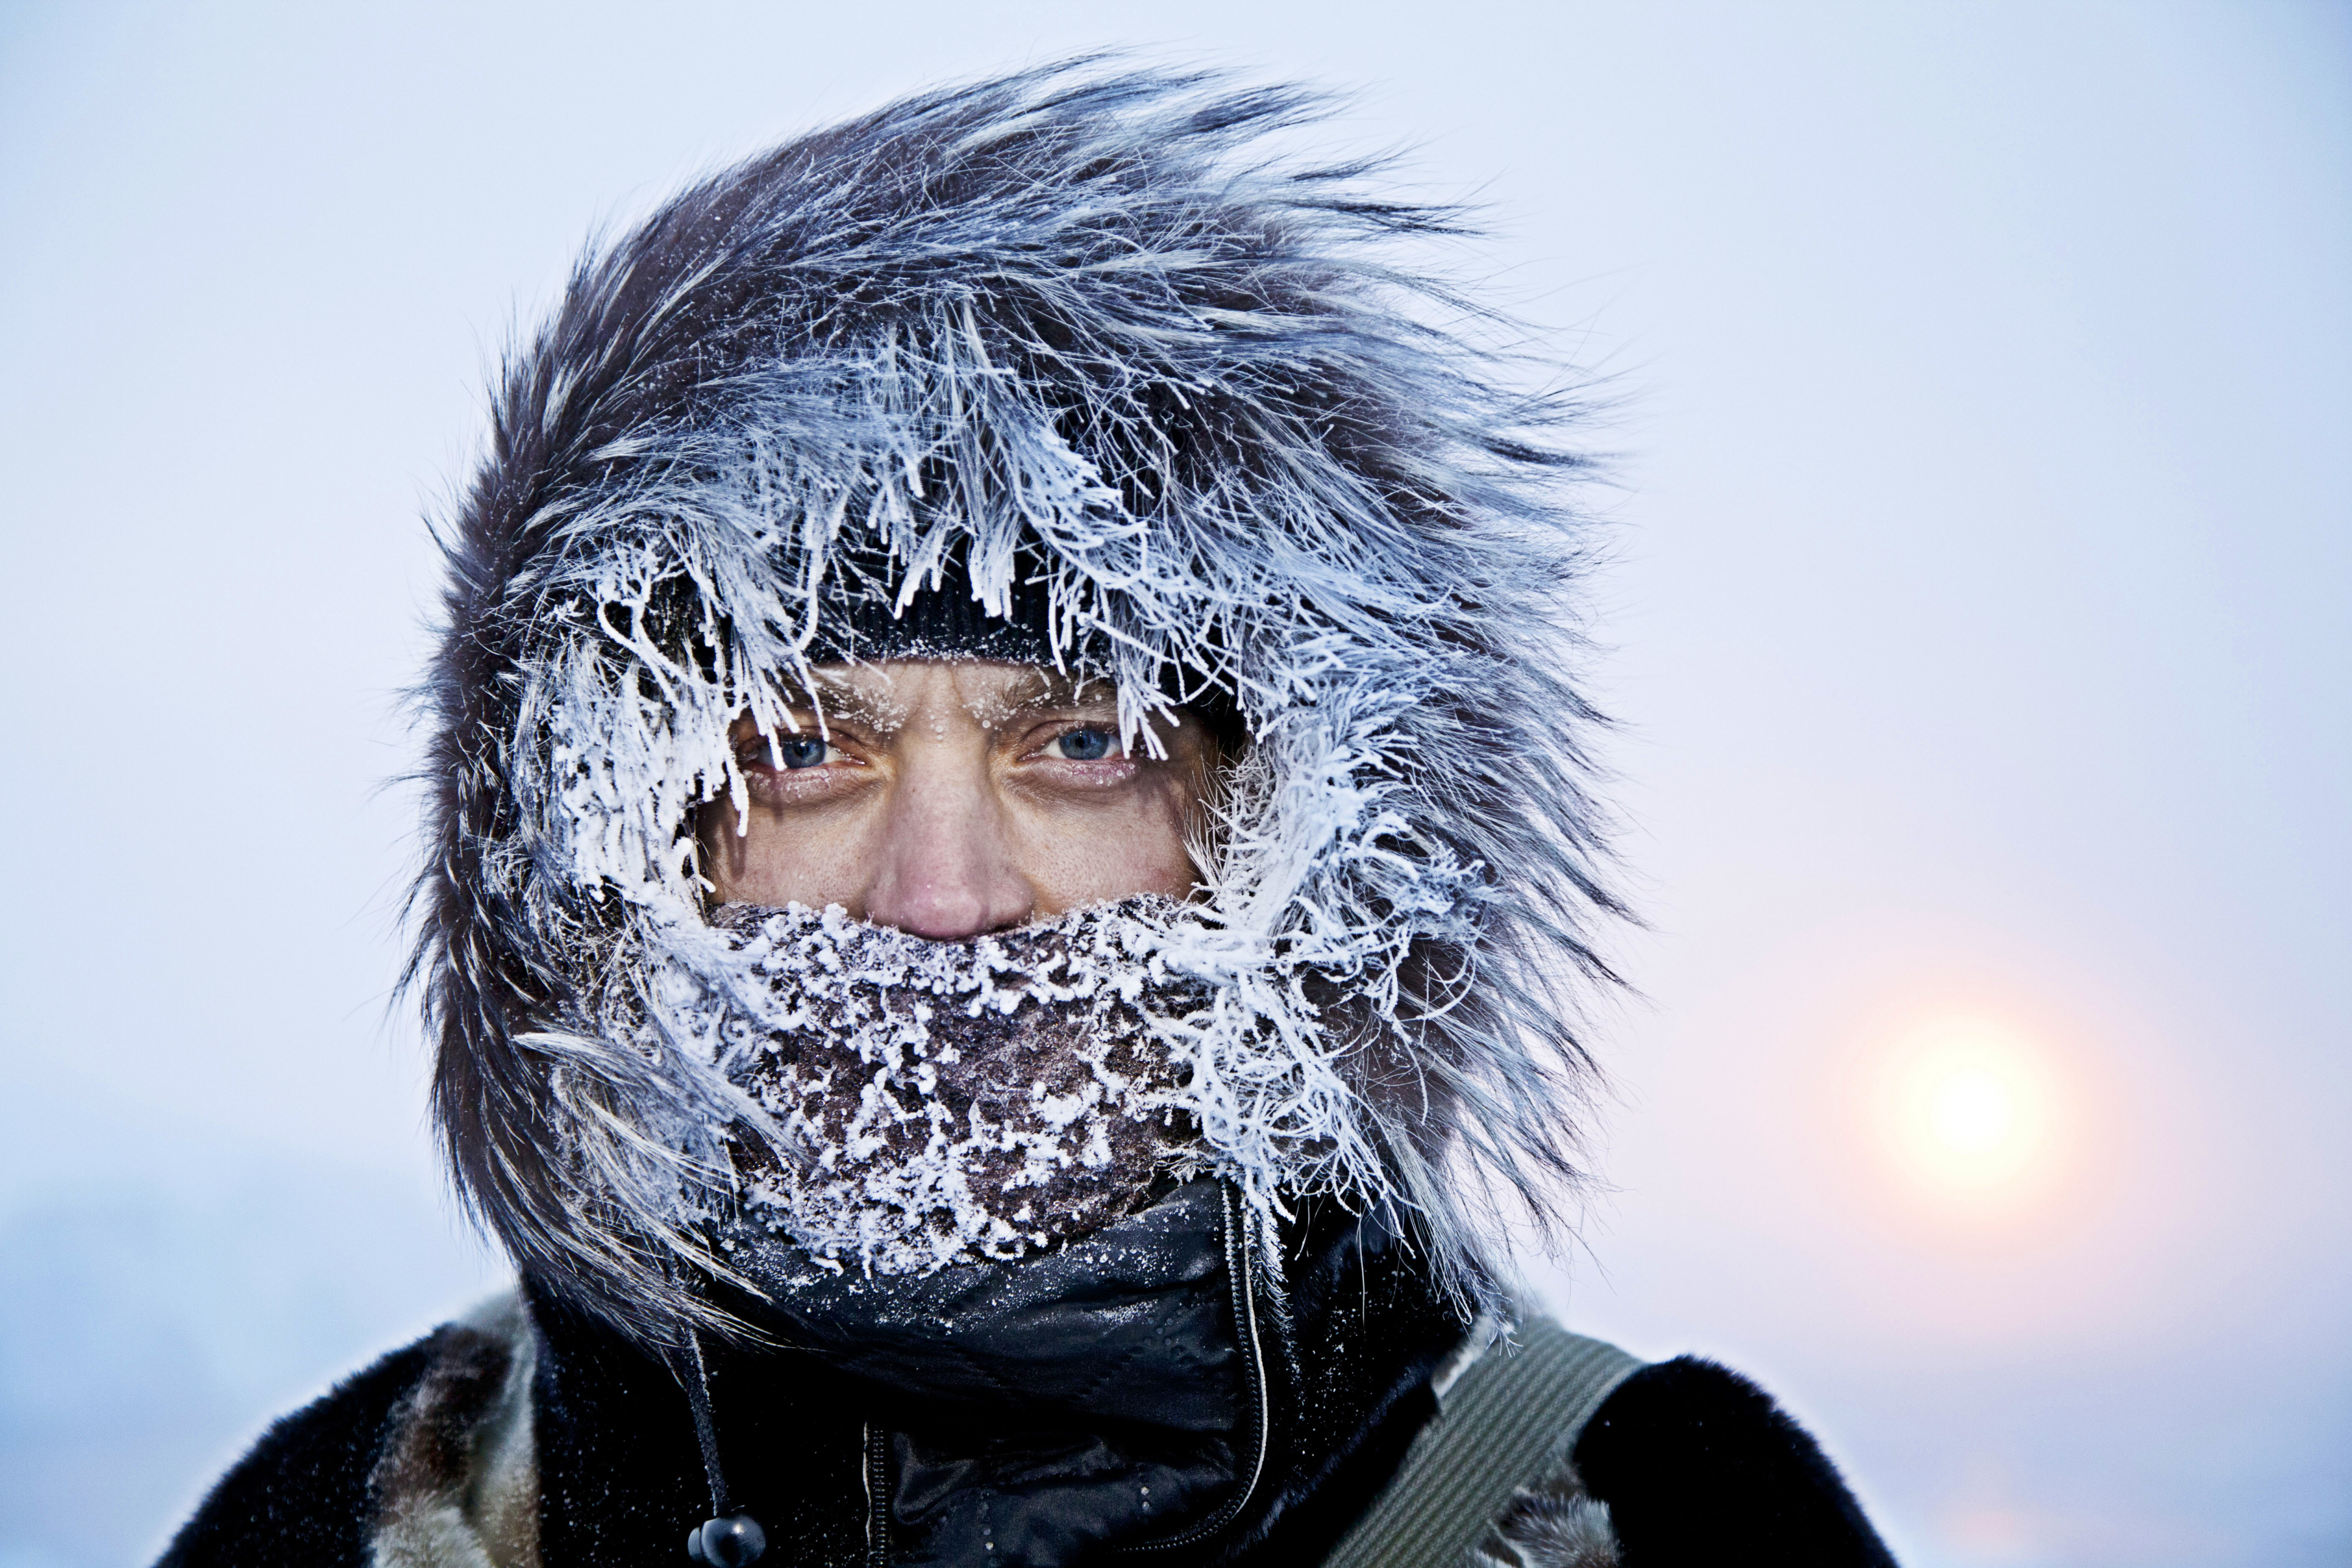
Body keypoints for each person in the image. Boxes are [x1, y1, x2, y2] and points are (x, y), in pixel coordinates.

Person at [158, 62, 1898, 1568]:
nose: (942, 892)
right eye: (798, 752)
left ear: (1282, 828)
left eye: (1080, 746)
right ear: (626, 841)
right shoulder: (375, 1509)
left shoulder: (1665, 1513)